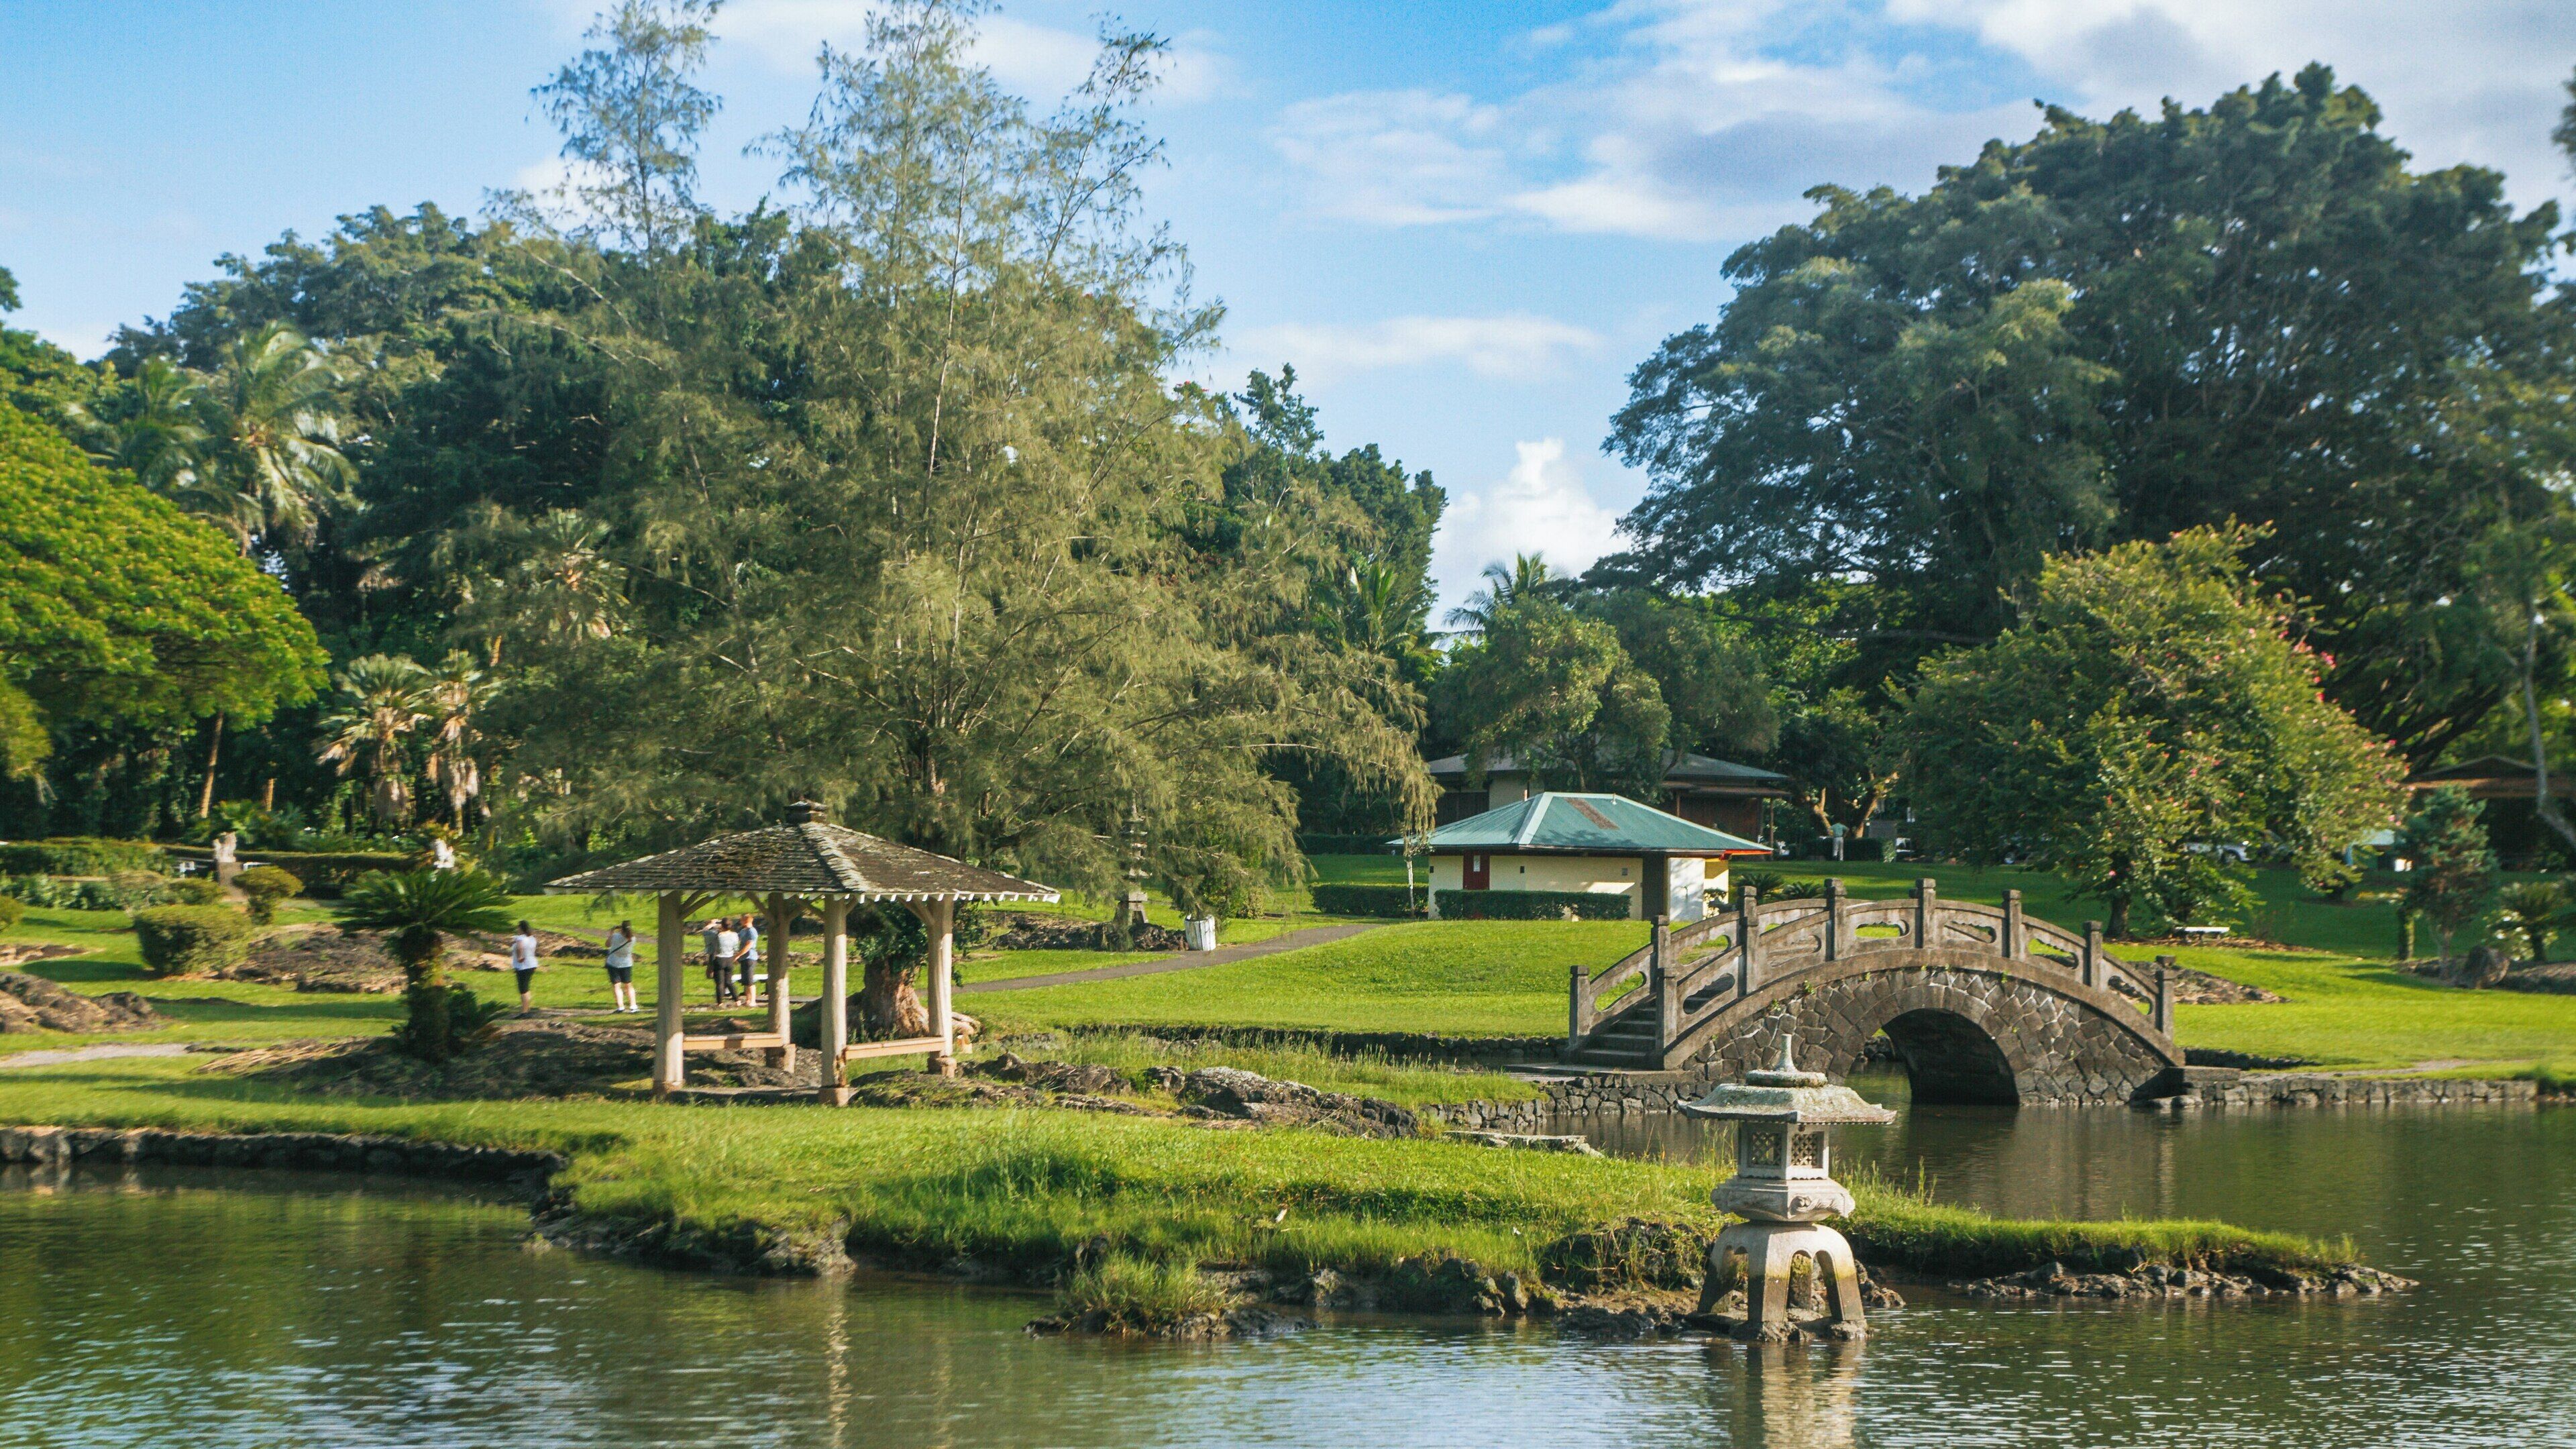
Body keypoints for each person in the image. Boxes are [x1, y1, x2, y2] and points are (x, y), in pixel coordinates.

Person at [603, 920, 639, 1014]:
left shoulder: (616, 937)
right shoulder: (633, 939)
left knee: (617, 986)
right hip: (627, 963)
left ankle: (621, 1007)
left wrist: (612, 932)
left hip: (614, 963)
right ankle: (633, 1006)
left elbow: (607, 945)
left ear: (621, 928)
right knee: (628, 985)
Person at [510, 920, 541, 1017]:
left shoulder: (520, 938)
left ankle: (524, 1012)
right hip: (532, 964)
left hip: (522, 966)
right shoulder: (532, 939)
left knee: (523, 989)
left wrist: (519, 957)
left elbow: (520, 948)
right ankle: (527, 1009)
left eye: (518, 927)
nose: (517, 929)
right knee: (527, 988)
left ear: (521, 928)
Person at [713, 918, 742, 1005]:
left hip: (720, 959)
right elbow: (736, 948)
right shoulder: (735, 935)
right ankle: (737, 1000)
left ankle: (720, 1002)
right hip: (730, 959)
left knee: (720, 983)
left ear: (722, 925)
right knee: (729, 981)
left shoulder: (719, 936)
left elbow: (715, 948)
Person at [701, 918, 729, 1003]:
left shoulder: (713, 934)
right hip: (725, 956)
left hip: (714, 955)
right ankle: (724, 991)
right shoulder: (726, 934)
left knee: (716, 976)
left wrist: (712, 924)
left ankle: (722, 994)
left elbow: (704, 930)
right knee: (722, 975)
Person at [736, 914, 762, 1004]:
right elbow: (737, 939)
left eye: (742, 919)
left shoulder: (752, 931)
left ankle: (753, 1001)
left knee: (750, 980)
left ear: (746, 920)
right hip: (744, 958)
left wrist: (738, 955)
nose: (740, 921)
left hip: (750, 957)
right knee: (746, 980)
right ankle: (748, 999)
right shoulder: (743, 931)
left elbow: (749, 945)